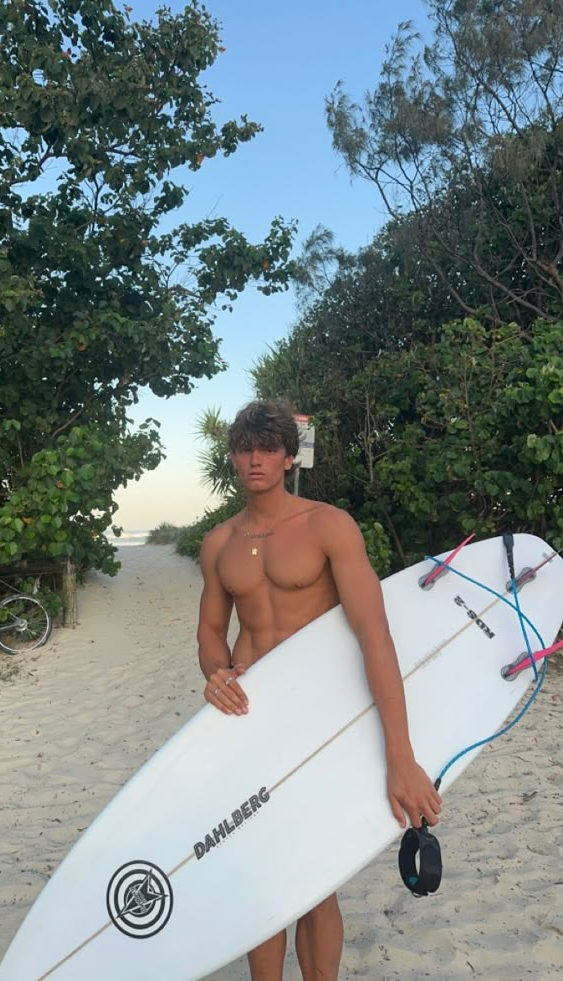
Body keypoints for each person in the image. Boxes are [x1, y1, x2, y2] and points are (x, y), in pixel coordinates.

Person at [196, 399, 442, 981]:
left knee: (310, 878)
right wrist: (215, 673)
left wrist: (400, 755)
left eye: (267, 448)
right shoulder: (219, 543)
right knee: (261, 873)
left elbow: (374, 635)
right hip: (250, 721)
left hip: (321, 720)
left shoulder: (328, 525)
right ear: (234, 457)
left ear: (288, 456)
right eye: (244, 448)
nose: (255, 459)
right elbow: (211, 631)